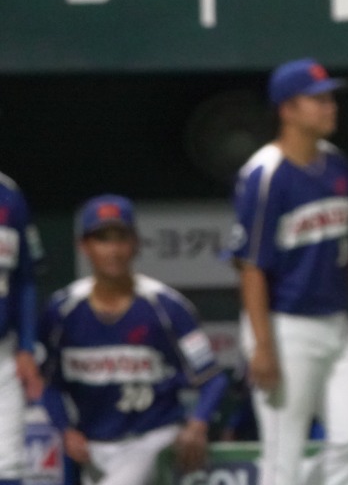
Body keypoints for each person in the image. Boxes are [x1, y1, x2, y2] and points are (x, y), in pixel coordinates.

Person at [229, 58, 348, 485]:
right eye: (318, 99)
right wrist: (262, 345)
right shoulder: (265, 174)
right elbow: (251, 268)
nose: (330, 106)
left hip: (334, 324)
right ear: (288, 109)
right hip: (283, 327)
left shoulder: (338, 165)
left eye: (330, 97)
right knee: (283, 459)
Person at [39, 194, 228, 485]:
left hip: (152, 438)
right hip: (93, 447)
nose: (113, 250)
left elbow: (212, 378)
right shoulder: (62, 311)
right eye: (102, 239)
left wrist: (198, 423)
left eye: (121, 238)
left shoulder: (165, 306)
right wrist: (64, 429)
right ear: (84, 246)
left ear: (136, 243)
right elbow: (47, 383)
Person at [0, 171, 42, 485]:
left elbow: (26, 278)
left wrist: (26, 346)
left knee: (9, 466)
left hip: (3, 355)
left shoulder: (9, 193)